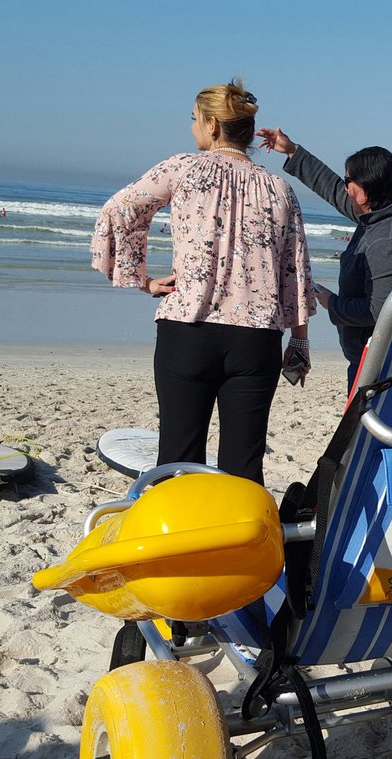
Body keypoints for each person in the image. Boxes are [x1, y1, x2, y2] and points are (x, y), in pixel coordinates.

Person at [92, 79, 315, 485]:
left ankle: (180, 544)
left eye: (195, 119)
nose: (192, 126)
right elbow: (294, 270)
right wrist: (298, 342)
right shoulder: (280, 188)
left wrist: (140, 280)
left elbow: (119, 211)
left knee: (176, 459)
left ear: (213, 125)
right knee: (244, 469)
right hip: (256, 339)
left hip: (187, 331)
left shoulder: (181, 168)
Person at [256, 126, 392, 390]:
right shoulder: (380, 212)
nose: (344, 189)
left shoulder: (387, 239)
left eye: (349, 182)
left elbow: (379, 310)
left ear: (366, 190)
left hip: (376, 367)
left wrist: (332, 303)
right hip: (368, 360)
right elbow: (332, 189)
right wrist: (291, 151)